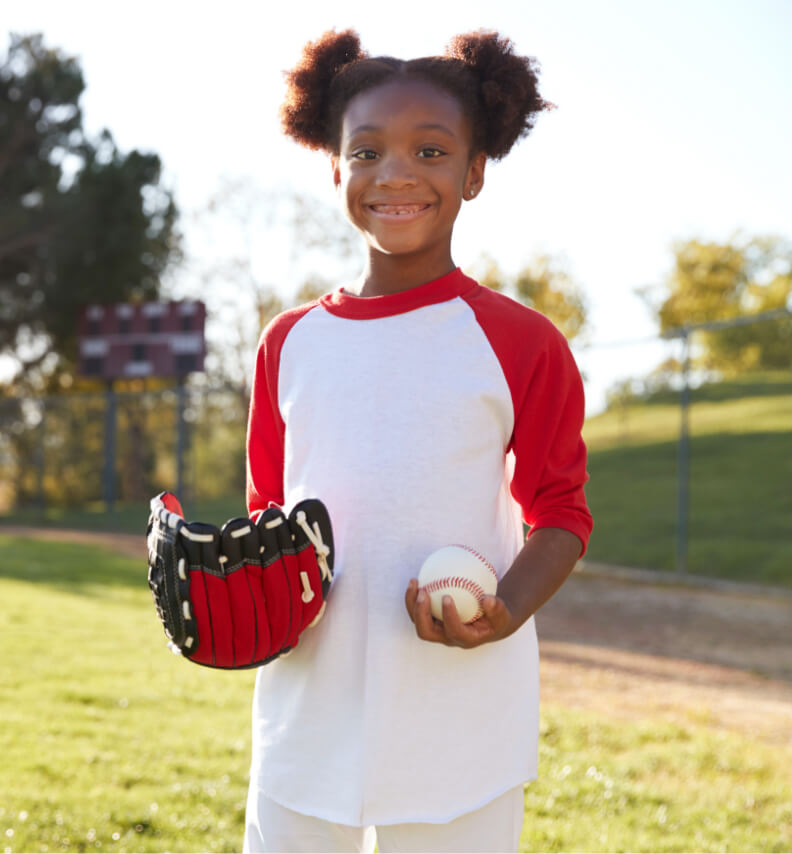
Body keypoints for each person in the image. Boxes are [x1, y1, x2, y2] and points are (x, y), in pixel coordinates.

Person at [242, 28, 593, 853]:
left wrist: (505, 612)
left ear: (474, 173)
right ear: (334, 166)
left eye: (430, 151)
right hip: (306, 702)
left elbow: (562, 513)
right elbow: (267, 511)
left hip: (459, 702)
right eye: (366, 151)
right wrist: (248, 603)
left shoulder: (520, 341)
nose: (395, 173)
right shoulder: (287, 342)